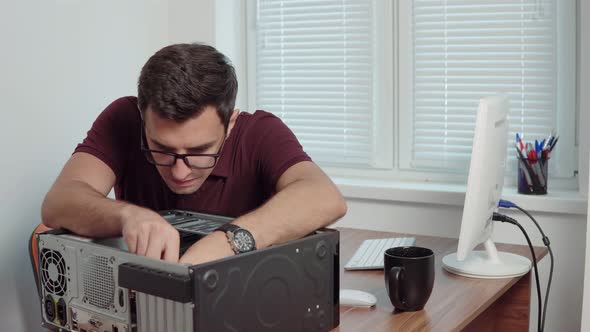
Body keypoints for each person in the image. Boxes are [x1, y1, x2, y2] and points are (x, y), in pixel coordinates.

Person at [41, 43, 347, 265]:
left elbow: (324, 196)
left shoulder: (260, 132)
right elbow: (59, 202)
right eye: (161, 149)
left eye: (200, 151)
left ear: (230, 124)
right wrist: (128, 215)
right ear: (141, 118)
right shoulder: (122, 118)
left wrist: (228, 241)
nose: (179, 172)